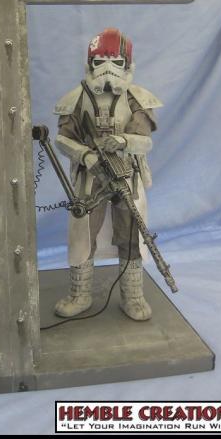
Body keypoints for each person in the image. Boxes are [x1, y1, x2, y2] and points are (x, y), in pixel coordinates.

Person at [53, 28, 163, 321]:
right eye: (100, 61)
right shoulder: (77, 98)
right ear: (89, 63)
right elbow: (63, 140)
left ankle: (133, 295)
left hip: (127, 176)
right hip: (90, 177)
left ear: (128, 65)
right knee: (82, 234)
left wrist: (124, 141)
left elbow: (145, 141)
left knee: (132, 233)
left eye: (115, 61)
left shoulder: (136, 98)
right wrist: (86, 155)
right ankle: (80, 294)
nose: (107, 68)